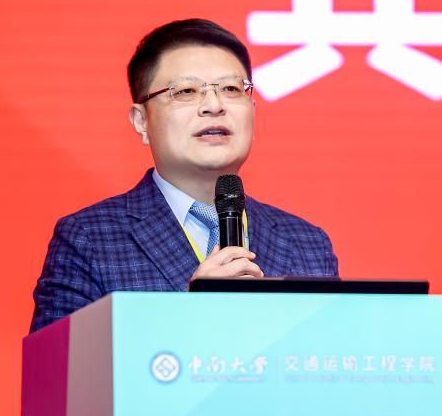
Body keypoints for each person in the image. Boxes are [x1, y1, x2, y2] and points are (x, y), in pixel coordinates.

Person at [29, 19, 338, 332]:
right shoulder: (89, 239)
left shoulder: (308, 244)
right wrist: (188, 315)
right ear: (141, 121)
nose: (214, 105)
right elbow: (58, 363)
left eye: (231, 89)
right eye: (187, 91)